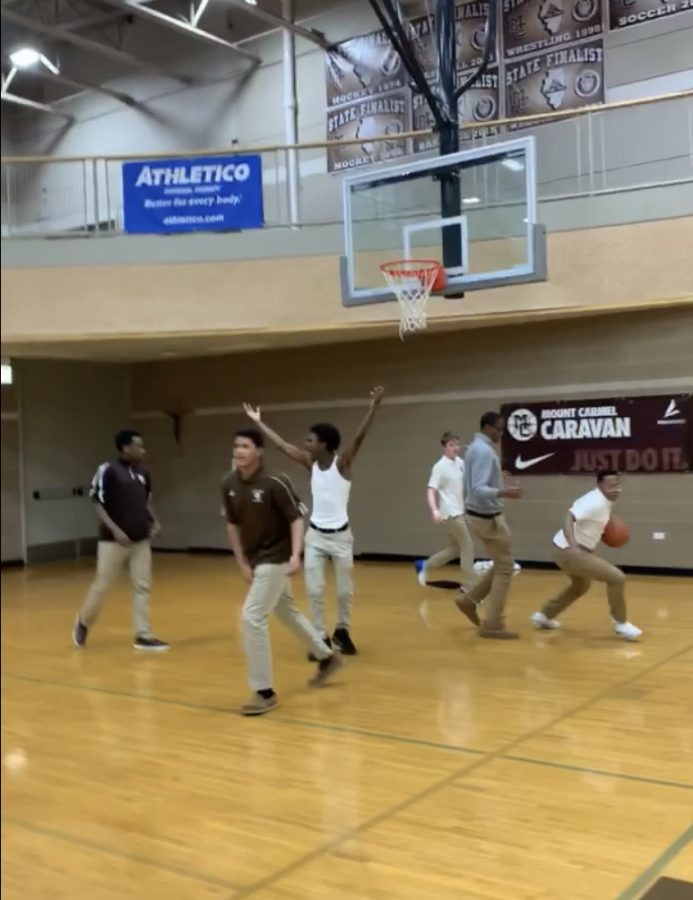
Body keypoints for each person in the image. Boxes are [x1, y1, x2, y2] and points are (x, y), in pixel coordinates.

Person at [243, 386, 385, 656]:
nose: (305, 444)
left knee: (344, 592)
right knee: (316, 590)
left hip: (341, 537)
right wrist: (258, 422)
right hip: (316, 537)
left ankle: (342, 631)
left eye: (310, 440)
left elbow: (359, 437)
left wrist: (373, 407)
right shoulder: (310, 463)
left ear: (324, 444)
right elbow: (283, 446)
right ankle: (319, 636)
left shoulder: (341, 464)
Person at [222, 428, 343, 716]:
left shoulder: (276, 482)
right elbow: (232, 525)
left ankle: (264, 692)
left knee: (252, 617)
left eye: (246, 446)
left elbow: (296, 518)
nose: (239, 451)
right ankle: (327, 657)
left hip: (275, 557)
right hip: (254, 558)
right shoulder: (228, 483)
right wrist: (241, 563)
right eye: (236, 446)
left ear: (258, 452)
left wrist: (295, 554)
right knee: (285, 610)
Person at [72, 429, 169, 651]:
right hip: (113, 542)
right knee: (102, 585)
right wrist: (115, 530)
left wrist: (154, 522)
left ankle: (143, 635)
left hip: (140, 540)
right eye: (138, 445)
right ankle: (84, 622)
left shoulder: (143, 471)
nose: (142, 450)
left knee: (142, 586)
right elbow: (97, 502)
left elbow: (145, 502)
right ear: (125, 447)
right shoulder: (107, 470)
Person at [531, 470, 642, 640]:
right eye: (611, 485)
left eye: (618, 485)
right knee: (616, 577)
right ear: (600, 485)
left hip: (562, 549)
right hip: (570, 550)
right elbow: (569, 517)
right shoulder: (595, 501)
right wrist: (573, 544)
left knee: (580, 586)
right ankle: (621, 624)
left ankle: (544, 615)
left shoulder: (603, 502)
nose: (615, 489)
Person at [462, 411, 523, 639]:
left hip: (480, 516)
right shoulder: (484, 452)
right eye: (498, 428)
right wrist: (503, 491)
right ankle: (493, 624)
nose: (501, 432)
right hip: (487, 518)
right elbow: (477, 489)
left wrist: (498, 480)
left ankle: (469, 600)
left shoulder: (475, 449)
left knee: (501, 563)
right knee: (506, 567)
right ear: (487, 427)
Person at [415, 432, 478, 611]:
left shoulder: (460, 463)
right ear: (444, 447)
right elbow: (430, 490)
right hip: (450, 513)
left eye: (457, 444)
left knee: (455, 549)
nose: (455, 448)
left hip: (461, 511)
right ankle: (469, 586)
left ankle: (425, 565)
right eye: (451, 445)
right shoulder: (439, 467)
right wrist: (434, 510)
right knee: (468, 545)